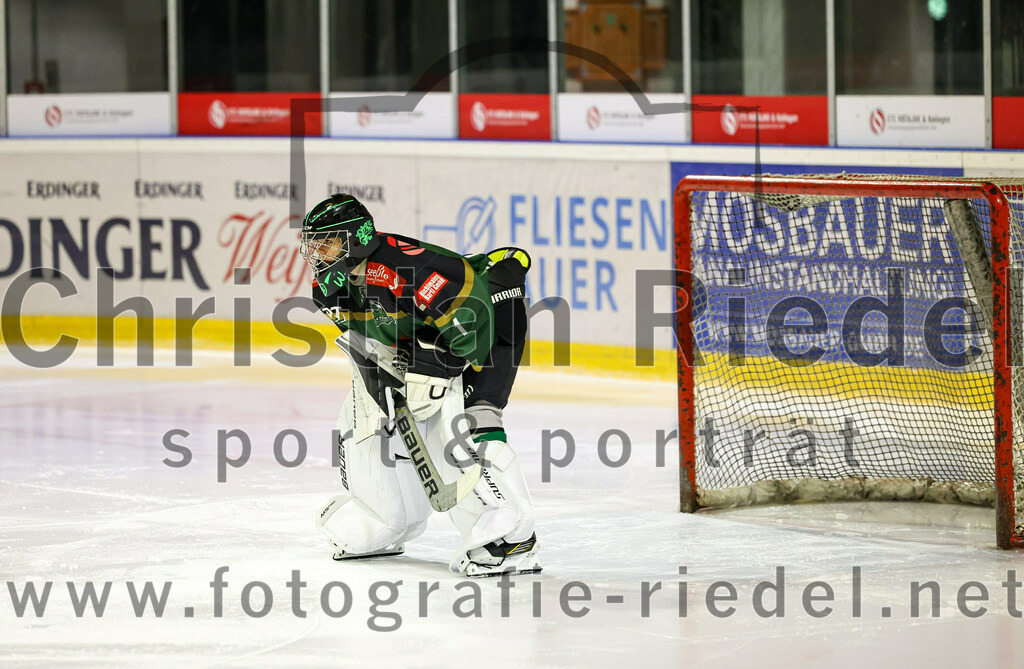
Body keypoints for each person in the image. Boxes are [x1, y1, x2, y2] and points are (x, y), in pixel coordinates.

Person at [300, 193, 540, 577]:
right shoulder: (331, 287)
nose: (318, 252)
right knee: (365, 414)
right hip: (437, 331)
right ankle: (385, 519)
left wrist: (440, 362)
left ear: (356, 238)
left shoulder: (406, 269)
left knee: (467, 420)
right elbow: (372, 338)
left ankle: (510, 536)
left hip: (490, 317)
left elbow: (470, 316)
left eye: (327, 242)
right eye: (315, 244)